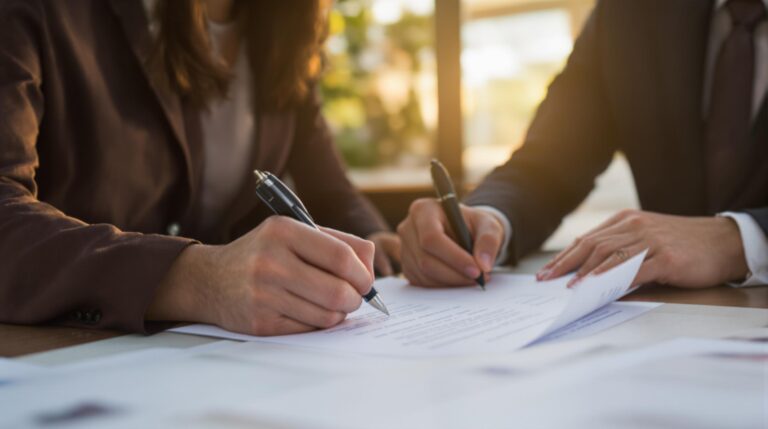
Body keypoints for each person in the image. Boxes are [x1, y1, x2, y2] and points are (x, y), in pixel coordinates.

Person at [0, 0, 401, 336]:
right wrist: (197, 278)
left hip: (217, 361)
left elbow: (328, 191)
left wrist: (383, 244)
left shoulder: (282, 25)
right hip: (65, 354)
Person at [399, 0, 768, 289]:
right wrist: (487, 218)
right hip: (661, 324)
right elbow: (550, 162)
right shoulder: (633, 10)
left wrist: (741, 239)